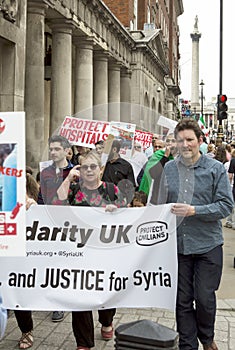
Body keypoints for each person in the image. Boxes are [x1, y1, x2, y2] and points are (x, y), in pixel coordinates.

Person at [157, 118, 233, 350]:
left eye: (190, 139)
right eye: (180, 140)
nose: (185, 144)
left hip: (208, 246)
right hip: (178, 247)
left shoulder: (215, 169)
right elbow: (157, 204)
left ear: (200, 141)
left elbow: (225, 205)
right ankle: (187, 346)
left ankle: (207, 339)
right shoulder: (168, 169)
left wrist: (194, 211)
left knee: (204, 298)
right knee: (182, 301)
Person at [55, 151, 126, 350]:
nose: (88, 170)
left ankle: (106, 320)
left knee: (106, 293)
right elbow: (56, 203)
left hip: (105, 253)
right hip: (79, 253)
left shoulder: (111, 189)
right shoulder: (74, 189)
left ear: (100, 169)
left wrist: (117, 209)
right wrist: (68, 178)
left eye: (93, 166)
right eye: (84, 167)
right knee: (80, 299)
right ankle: (83, 343)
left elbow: (126, 212)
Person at [38, 135, 74, 322]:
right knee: (52, 264)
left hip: (71, 226)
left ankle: (62, 302)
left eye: (57, 149)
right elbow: (41, 198)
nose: (53, 152)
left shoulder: (76, 172)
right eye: (51, 149)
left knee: (66, 265)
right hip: (50, 226)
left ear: (67, 150)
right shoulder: (45, 173)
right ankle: (54, 302)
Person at [14, 173, 38, 349]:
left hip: (22, 258)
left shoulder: (32, 205)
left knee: (18, 294)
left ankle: (26, 331)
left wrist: (33, 208)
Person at [101, 139, 136, 204]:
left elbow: (131, 187)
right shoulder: (102, 164)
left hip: (119, 202)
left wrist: (128, 202)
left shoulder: (126, 166)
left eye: (106, 149)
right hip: (102, 200)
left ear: (114, 150)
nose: (104, 152)